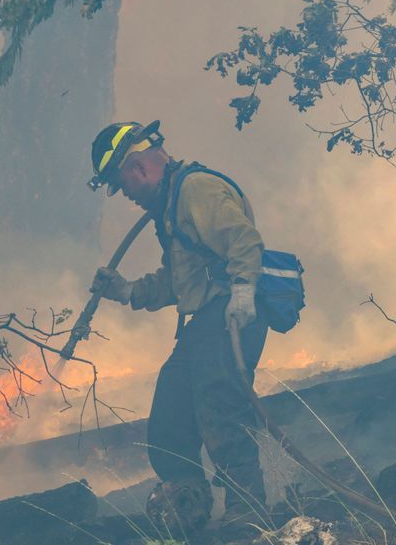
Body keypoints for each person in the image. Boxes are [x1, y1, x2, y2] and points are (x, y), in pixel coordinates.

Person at [86, 120, 268, 533]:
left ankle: (249, 514)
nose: (126, 195)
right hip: (203, 322)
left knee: (222, 409)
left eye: (122, 183)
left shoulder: (196, 190)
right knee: (169, 416)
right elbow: (177, 279)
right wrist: (128, 290)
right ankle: (188, 506)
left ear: (137, 167)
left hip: (227, 315)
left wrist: (242, 293)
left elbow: (243, 242)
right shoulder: (169, 206)